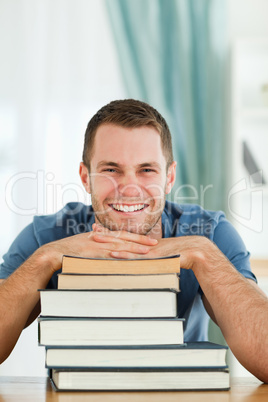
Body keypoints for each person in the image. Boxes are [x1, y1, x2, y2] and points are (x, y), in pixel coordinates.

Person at [0, 99, 267, 382]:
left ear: (169, 177)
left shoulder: (209, 233)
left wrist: (201, 254)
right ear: (85, 177)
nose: (129, 189)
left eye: (147, 170)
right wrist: (46, 259)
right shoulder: (46, 236)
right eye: (111, 170)